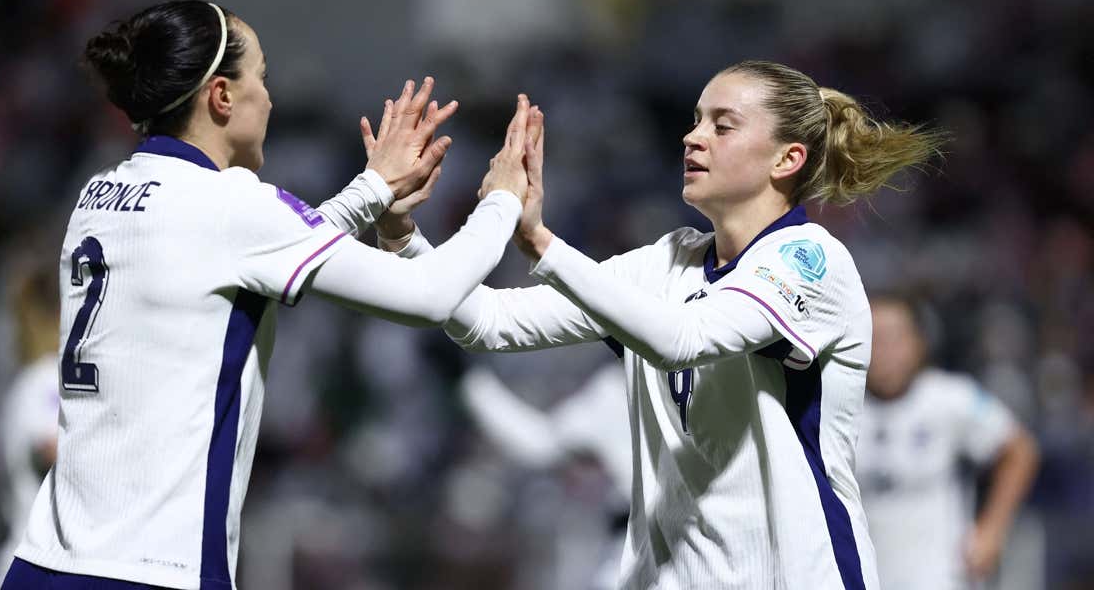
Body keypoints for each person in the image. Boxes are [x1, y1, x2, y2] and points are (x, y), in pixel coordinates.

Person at [3, 0, 535, 590]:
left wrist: (372, 190)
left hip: (43, 564)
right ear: (222, 97)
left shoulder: (99, 195)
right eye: (261, 76)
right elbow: (431, 295)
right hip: (152, 572)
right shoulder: (231, 204)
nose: (270, 97)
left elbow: (255, 251)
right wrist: (504, 199)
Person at [372, 60, 946, 589]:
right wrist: (401, 231)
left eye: (723, 125)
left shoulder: (810, 262)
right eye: (696, 121)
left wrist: (541, 242)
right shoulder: (665, 262)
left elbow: (685, 340)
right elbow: (488, 321)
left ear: (786, 159)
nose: (693, 137)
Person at [856, 293, 1040, 590]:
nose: (885, 351)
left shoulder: (951, 398)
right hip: (867, 575)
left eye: (895, 338)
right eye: (874, 339)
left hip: (940, 576)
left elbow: (1019, 450)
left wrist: (992, 530)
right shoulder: (840, 407)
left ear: (919, 343)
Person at [459, 362, 631, 590]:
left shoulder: (615, 390)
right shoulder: (622, 388)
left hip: (640, 543)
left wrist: (475, 385)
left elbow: (541, 444)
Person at [0, 256, 61, 589]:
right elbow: (52, 451)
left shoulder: (30, 381)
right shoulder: (43, 380)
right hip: (37, 564)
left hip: (33, 563)